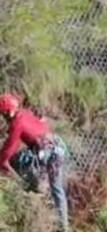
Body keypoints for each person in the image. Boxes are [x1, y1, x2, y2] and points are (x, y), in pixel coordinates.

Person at [0, 93, 69, 231]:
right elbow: (42, 124)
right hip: (58, 147)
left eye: (3, 114)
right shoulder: (25, 113)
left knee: (17, 160)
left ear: (8, 112)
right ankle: (64, 227)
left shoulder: (16, 123)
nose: (3, 117)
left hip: (45, 152)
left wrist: (2, 162)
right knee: (57, 189)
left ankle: (32, 185)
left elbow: (9, 149)